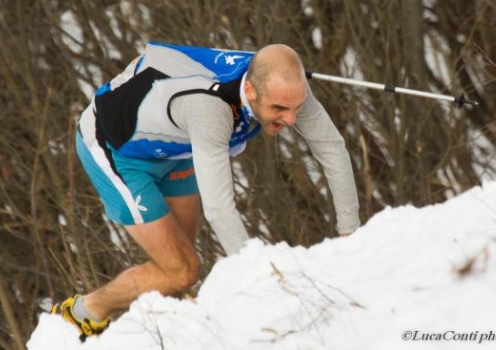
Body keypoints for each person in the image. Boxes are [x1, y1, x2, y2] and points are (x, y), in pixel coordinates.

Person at [51, 42, 361, 340]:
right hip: (115, 148)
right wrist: (263, 279)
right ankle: (85, 311)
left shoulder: (281, 86)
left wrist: (352, 238)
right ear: (251, 90)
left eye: (296, 106)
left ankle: (169, 331)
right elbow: (220, 208)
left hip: (175, 146)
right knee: (182, 272)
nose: (291, 119)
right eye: (279, 108)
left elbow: (332, 150)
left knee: (180, 271)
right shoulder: (209, 110)